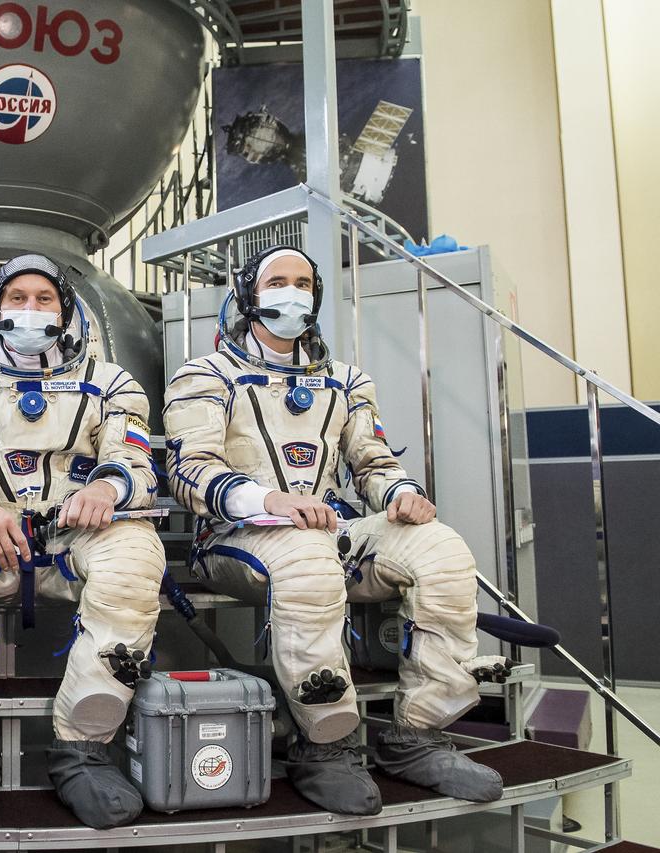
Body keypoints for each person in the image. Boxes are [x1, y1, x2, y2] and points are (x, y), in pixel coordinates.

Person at [163, 245, 510, 815]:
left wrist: (402, 496)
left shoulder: (346, 382)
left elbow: (373, 463)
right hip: (234, 535)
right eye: (278, 281)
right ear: (250, 293)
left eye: (304, 282)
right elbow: (190, 470)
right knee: (306, 558)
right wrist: (269, 500)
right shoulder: (205, 375)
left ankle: (417, 736)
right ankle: (325, 745)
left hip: (328, 530)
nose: (292, 292)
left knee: (442, 550)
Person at [0, 253, 165, 833]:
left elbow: (136, 463)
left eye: (45, 300)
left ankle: (83, 752)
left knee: (136, 557)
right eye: (17, 298)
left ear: (65, 312)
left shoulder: (110, 382)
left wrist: (107, 487)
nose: (30, 310)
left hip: (73, 535)